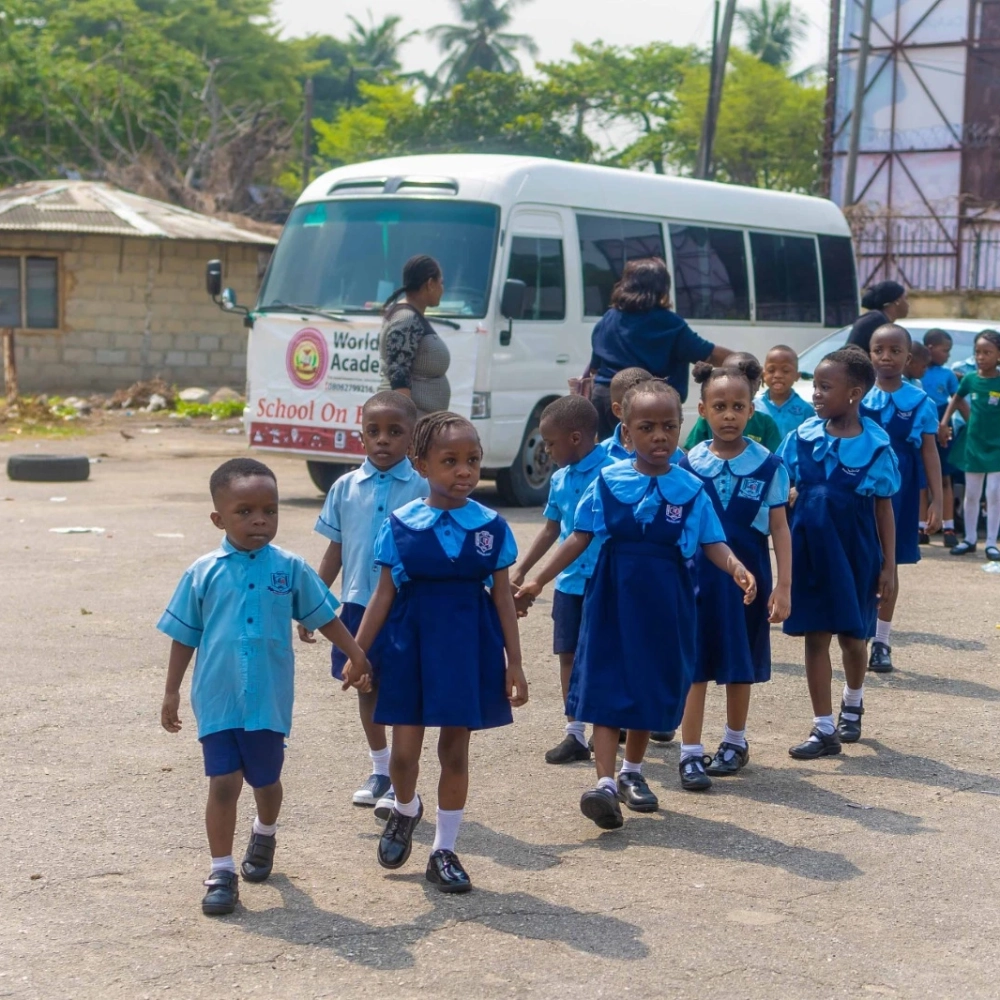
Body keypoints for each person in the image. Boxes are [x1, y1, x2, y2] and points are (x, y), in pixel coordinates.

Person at [515, 380, 755, 830]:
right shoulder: (608, 482)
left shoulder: (691, 488)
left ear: (682, 428)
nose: (659, 436)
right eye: (646, 427)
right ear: (626, 434)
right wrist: (537, 580)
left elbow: (712, 542)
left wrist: (735, 566)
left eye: (669, 426)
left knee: (648, 684)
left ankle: (632, 773)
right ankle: (605, 784)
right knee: (607, 684)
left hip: (666, 603)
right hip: (612, 598)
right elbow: (577, 537)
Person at [157, 459, 372, 916]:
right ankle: (221, 872)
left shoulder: (289, 568)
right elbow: (184, 635)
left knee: (267, 781)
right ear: (218, 519)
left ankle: (265, 831)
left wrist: (356, 653)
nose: (260, 520)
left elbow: (324, 616)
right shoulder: (202, 572)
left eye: (269, 511)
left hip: (269, 700)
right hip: (218, 698)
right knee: (223, 783)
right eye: (245, 512)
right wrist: (171, 691)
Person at [346, 413, 529, 892]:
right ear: (421, 464)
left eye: (472, 460)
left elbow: (502, 598)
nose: (463, 471)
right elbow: (382, 596)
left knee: (454, 751)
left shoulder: (491, 526)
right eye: (450, 461)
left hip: (468, 649)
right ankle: (406, 808)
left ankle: (444, 850)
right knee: (404, 756)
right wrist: (358, 652)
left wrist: (515, 663)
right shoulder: (400, 525)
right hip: (410, 647)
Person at [299, 391, 428, 814]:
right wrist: (314, 603)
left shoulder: (424, 487)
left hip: (406, 608)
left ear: (412, 438)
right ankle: (381, 769)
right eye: (373, 431)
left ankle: (404, 780)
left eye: (395, 432)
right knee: (364, 684)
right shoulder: (345, 487)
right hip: (356, 604)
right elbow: (335, 550)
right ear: (361, 436)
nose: (383, 440)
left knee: (404, 690)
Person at [777, 348, 900, 760]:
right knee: (815, 636)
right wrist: (789, 494)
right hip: (809, 551)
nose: (816, 394)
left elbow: (883, 509)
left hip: (854, 553)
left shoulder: (875, 446)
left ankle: (853, 700)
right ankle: (824, 727)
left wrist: (889, 566)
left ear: (854, 393)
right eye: (815, 386)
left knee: (852, 638)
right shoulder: (801, 438)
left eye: (825, 387)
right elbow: (778, 482)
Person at [677, 357, 792, 790]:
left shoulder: (769, 466)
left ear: (751, 411)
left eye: (738, 407)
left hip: (750, 583)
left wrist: (783, 586)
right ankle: (690, 753)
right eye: (719, 407)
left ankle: (734, 741)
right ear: (702, 411)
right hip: (697, 582)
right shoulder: (686, 466)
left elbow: (780, 528)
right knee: (694, 666)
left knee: (738, 662)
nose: (729, 415)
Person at [511, 395, 614, 764]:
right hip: (569, 583)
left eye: (550, 443)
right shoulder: (559, 479)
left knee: (606, 656)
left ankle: (611, 725)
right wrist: (522, 569)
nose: (546, 450)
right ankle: (575, 732)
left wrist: (537, 578)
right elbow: (551, 528)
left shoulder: (615, 474)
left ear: (575, 438)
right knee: (567, 654)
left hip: (607, 582)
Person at [861, 325, 943, 673]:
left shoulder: (920, 402)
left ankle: (881, 641)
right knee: (860, 559)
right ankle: (857, 633)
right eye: (879, 350)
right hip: (859, 489)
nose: (886, 357)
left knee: (888, 564)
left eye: (895, 351)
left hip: (899, 493)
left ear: (908, 358)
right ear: (869, 355)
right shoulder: (856, 398)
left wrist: (938, 500)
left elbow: (930, 452)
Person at [587, 257, 731, 438]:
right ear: (662, 288)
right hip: (647, 405)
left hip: (604, 400)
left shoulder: (608, 318)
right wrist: (744, 363)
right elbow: (707, 355)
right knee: (650, 455)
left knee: (611, 453)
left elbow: (595, 367)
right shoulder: (667, 322)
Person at [940, 329, 1000, 561]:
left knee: (994, 493)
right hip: (973, 442)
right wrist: (944, 422)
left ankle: (991, 543)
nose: (981, 357)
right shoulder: (970, 378)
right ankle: (970, 539)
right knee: (972, 493)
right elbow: (956, 399)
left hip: (997, 444)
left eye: (987, 352)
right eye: (978, 352)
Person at [378, 255, 451, 417]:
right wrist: (405, 421)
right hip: (410, 421)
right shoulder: (406, 319)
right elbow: (399, 373)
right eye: (441, 283)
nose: (442, 289)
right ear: (430, 284)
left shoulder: (411, 316)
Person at [684, 352, 783, 452]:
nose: (729, 416)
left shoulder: (765, 423)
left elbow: (776, 455)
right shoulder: (706, 420)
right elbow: (692, 452)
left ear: (758, 384)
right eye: (720, 407)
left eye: (749, 378)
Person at [921, 329, 963, 548]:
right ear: (930, 348)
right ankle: (921, 526)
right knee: (922, 480)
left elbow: (957, 400)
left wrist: (968, 424)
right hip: (921, 426)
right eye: (945, 350)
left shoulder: (947, 374)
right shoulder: (916, 373)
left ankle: (948, 526)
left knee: (945, 478)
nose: (948, 355)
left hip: (941, 423)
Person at [755, 344, 814, 442]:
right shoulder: (754, 407)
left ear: (797, 376)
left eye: (785, 371)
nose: (778, 375)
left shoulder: (806, 410)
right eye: (771, 370)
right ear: (763, 375)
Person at [601, 367, 654, 461]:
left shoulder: (671, 452)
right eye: (641, 407)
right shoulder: (602, 453)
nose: (652, 412)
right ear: (618, 410)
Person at [847, 280, 909, 355]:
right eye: (905, 298)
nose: (908, 304)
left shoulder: (880, 319)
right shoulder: (875, 320)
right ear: (897, 301)